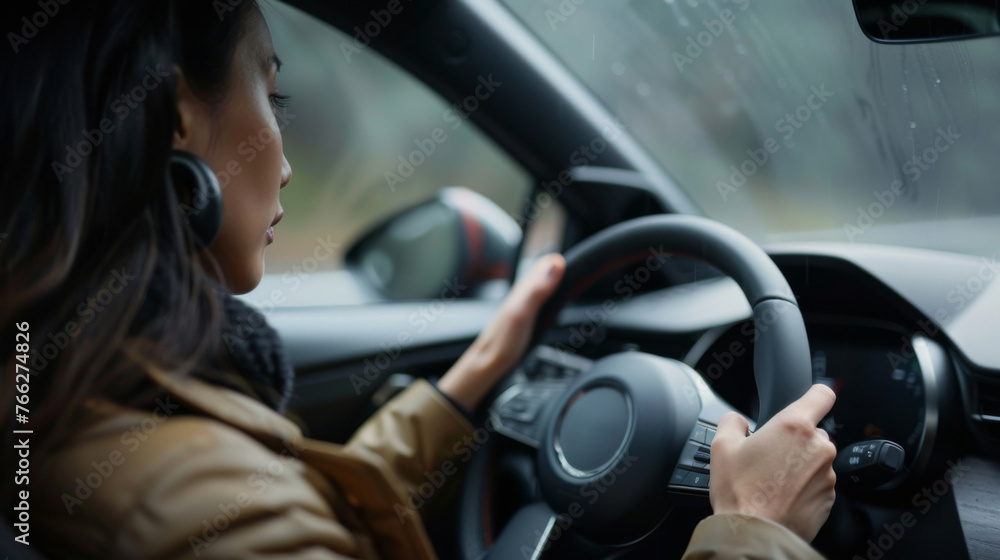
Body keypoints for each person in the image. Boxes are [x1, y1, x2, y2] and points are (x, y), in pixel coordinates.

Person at [0, 1, 836, 558]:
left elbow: (296, 512)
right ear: (180, 115)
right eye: (274, 100)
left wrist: (477, 373)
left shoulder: (60, 394)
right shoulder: (193, 503)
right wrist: (751, 526)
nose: (284, 165)